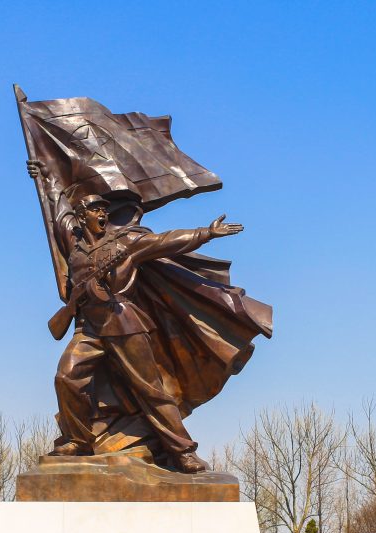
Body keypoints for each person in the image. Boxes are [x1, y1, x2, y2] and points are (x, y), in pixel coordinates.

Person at [28, 161, 244, 474]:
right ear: (81, 217)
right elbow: (57, 210)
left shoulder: (124, 243)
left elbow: (164, 241)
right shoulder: (73, 249)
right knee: (67, 377)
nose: (102, 215)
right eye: (95, 211)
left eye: (104, 210)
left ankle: (183, 452)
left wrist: (205, 233)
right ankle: (78, 440)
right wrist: (44, 176)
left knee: (151, 391)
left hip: (124, 324)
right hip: (88, 329)